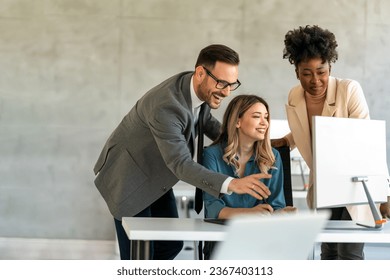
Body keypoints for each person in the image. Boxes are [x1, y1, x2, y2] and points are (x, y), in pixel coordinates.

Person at [93, 44, 272, 260]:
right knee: (138, 257)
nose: (226, 92)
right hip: (128, 179)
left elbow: (206, 122)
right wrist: (232, 184)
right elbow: (181, 164)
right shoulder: (166, 106)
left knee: (170, 245)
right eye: (222, 83)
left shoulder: (199, 88)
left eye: (232, 84)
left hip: (155, 174)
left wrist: (256, 141)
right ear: (200, 73)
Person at [272, 25, 390, 260]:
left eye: (321, 71)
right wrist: (285, 141)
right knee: (327, 251)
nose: (315, 80)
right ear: (296, 72)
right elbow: (305, 129)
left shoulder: (349, 90)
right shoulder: (294, 96)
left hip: (354, 182)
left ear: (330, 67)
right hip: (324, 185)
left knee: (349, 252)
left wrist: (384, 192)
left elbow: (366, 141)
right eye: (307, 73)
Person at [202, 94, 296, 259]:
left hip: (261, 237)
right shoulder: (212, 155)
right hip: (223, 237)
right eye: (256, 116)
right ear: (237, 121)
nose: (264, 123)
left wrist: (281, 213)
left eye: (266, 117)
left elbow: (276, 204)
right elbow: (213, 209)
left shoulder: (272, 157)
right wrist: (249, 213)